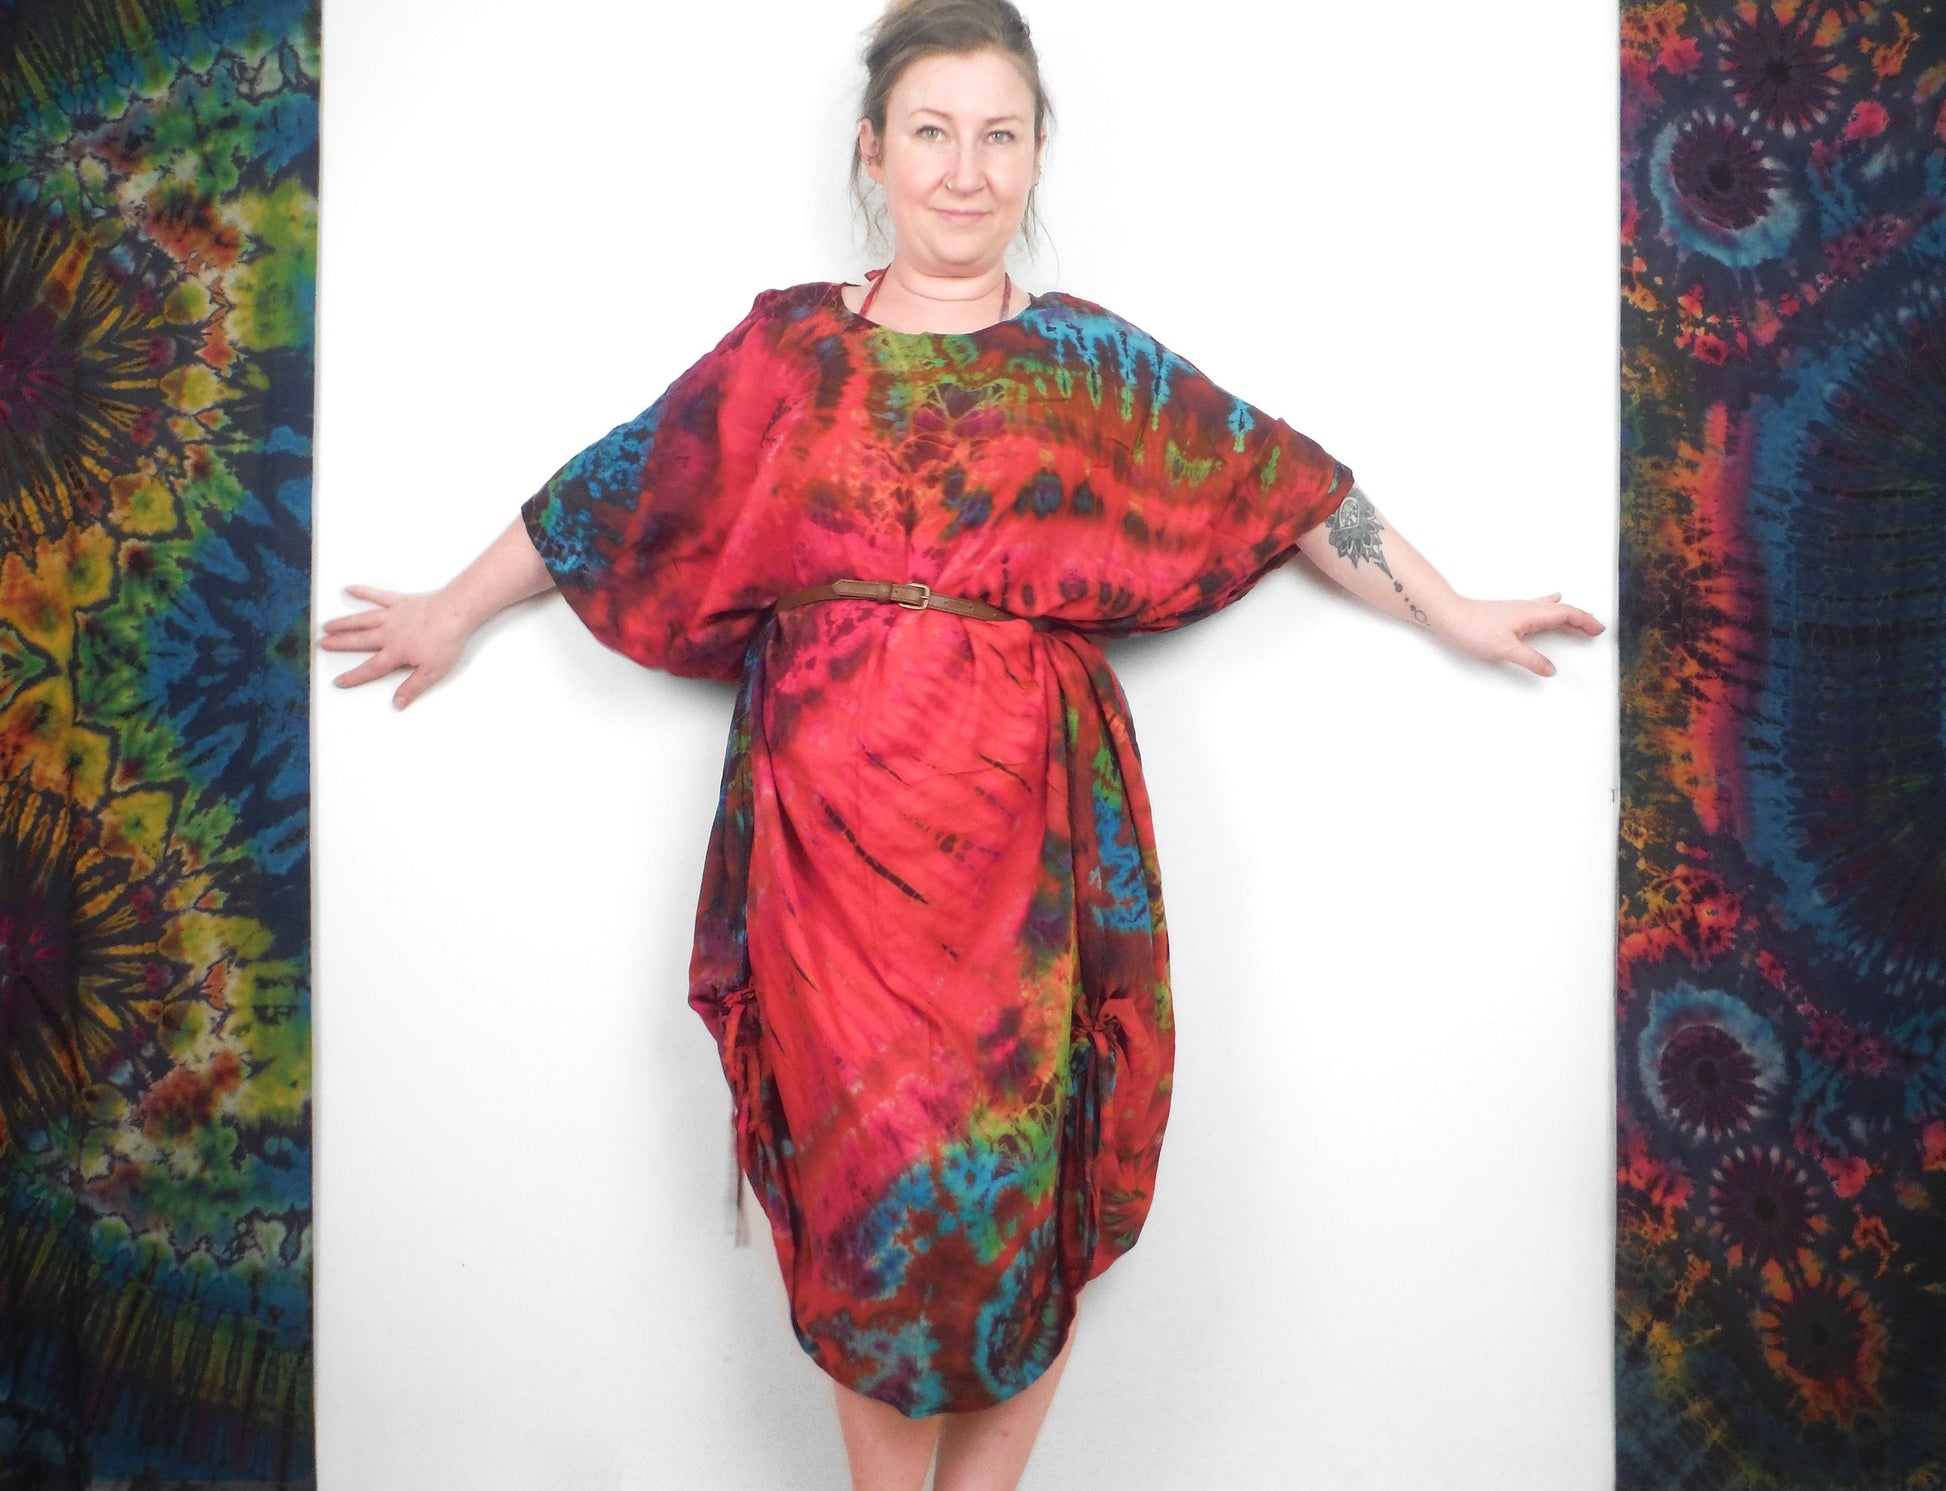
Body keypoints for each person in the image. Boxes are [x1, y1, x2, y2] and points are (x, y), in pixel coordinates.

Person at [321, 1, 1604, 1486]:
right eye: (931, 132)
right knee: (867, 1198)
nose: (964, 168)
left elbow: (1288, 485)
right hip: (827, 871)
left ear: (1037, 155)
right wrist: (449, 611)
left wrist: (1453, 611)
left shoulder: (1088, 364)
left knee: (1016, 1185)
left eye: (999, 135)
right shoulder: (789, 349)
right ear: (873, 152)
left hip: (1022, 867)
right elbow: (619, 489)